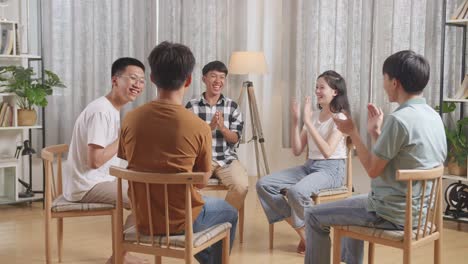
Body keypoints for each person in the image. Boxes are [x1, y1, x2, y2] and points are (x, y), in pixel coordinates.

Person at [304, 50, 447, 264]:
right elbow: (407, 156)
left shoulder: (399, 120)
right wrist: (375, 133)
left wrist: (352, 131)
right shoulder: (432, 115)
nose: (383, 83)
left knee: (313, 215)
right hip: (420, 212)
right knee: (352, 202)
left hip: (390, 213)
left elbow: (372, 169)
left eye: (384, 78)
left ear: (395, 82)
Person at [118, 42, 238, 264]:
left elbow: (127, 158)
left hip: (142, 217)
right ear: (189, 80)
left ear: (152, 78)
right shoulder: (198, 126)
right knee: (229, 212)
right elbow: (201, 181)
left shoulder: (130, 119)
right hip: (181, 220)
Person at [256, 70, 350, 254]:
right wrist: (296, 121)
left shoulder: (340, 118)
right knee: (264, 184)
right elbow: (297, 150)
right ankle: (305, 234)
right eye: (316, 87)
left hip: (332, 170)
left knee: (296, 192)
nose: (317, 91)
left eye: (322, 87)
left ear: (335, 92)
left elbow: (328, 151)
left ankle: (311, 235)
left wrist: (307, 121)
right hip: (310, 167)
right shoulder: (314, 116)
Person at [63, 57, 145, 206]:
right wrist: (123, 137)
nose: (138, 85)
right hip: (87, 186)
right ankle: (130, 230)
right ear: (115, 81)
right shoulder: (101, 111)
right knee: (146, 200)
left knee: (151, 192)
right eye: (133, 78)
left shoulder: (111, 109)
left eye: (141, 81)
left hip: (102, 179)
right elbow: (95, 161)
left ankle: (133, 230)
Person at [186, 60, 248, 211]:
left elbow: (235, 139)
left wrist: (222, 128)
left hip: (226, 158)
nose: (218, 81)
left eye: (222, 77)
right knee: (189, 188)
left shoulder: (232, 106)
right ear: (204, 79)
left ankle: (222, 223)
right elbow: (188, 139)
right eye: (213, 76)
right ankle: (200, 223)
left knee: (241, 187)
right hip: (200, 158)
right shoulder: (192, 106)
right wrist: (210, 127)